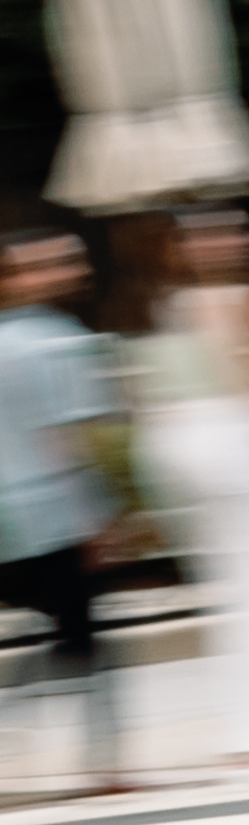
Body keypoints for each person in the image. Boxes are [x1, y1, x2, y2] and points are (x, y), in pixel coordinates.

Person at [0, 227, 133, 790]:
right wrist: (100, 516)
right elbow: (64, 437)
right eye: (26, 268)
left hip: (1, 513)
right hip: (54, 507)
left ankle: (6, 739)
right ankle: (101, 759)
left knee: (64, 627)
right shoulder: (49, 338)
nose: (48, 276)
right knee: (79, 633)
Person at [130, 208, 249, 765]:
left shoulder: (165, 305)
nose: (225, 241)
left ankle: (239, 731)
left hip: (208, 448)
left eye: (232, 229)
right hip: (217, 449)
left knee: (234, 592)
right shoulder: (179, 305)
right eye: (205, 234)